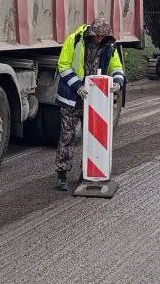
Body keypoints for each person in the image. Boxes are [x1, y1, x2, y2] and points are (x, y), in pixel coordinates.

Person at [54, 18, 126, 192]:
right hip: (71, 98)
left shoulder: (110, 45)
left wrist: (118, 81)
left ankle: (85, 173)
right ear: (91, 33)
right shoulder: (75, 39)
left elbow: (116, 67)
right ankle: (62, 175)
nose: (99, 39)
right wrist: (78, 87)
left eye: (103, 36)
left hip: (95, 100)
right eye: (97, 36)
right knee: (67, 137)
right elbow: (63, 65)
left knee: (92, 139)